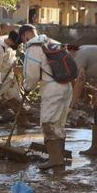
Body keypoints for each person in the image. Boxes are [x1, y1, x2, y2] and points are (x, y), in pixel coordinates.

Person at [22, 29, 72, 170]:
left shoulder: (33, 48)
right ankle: (59, 159)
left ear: (25, 35)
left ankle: (55, 160)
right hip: (66, 86)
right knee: (59, 124)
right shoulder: (51, 42)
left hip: (52, 88)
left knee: (48, 124)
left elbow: (31, 76)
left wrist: (27, 88)